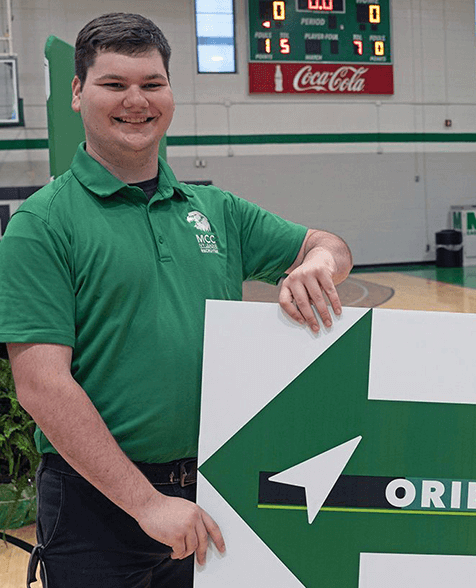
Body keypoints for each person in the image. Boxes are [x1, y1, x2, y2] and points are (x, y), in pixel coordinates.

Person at [0, 13, 353, 588]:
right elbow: (41, 385)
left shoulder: (215, 210)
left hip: (220, 491)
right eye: (114, 84)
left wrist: (316, 264)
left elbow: (329, 244)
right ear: (76, 92)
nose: (135, 101)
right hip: (101, 507)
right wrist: (146, 502)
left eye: (152, 83)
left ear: (170, 92)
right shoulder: (42, 225)